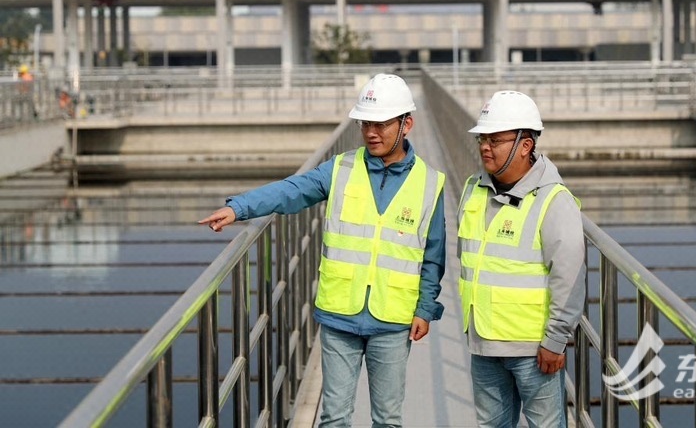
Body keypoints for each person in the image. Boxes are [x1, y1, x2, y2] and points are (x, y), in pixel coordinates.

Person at [199, 73, 446, 428]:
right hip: (339, 313)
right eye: (365, 124)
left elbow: (433, 255)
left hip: (393, 318)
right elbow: (292, 190)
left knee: (388, 420)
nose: (371, 132)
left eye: (381, 124)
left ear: (407, 123)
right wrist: (240, 207)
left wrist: (425, 309)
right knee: (334, 418)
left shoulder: (430, 182)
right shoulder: (341, 169)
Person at [457, 90, 585, 428]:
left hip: (534, 351)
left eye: (495, 139)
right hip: (484, 344)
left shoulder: (554, 201)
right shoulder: (473, 189)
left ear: (525, 145)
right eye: (483, 138)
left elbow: (569, 278)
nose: (485, 146)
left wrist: (556, 341)